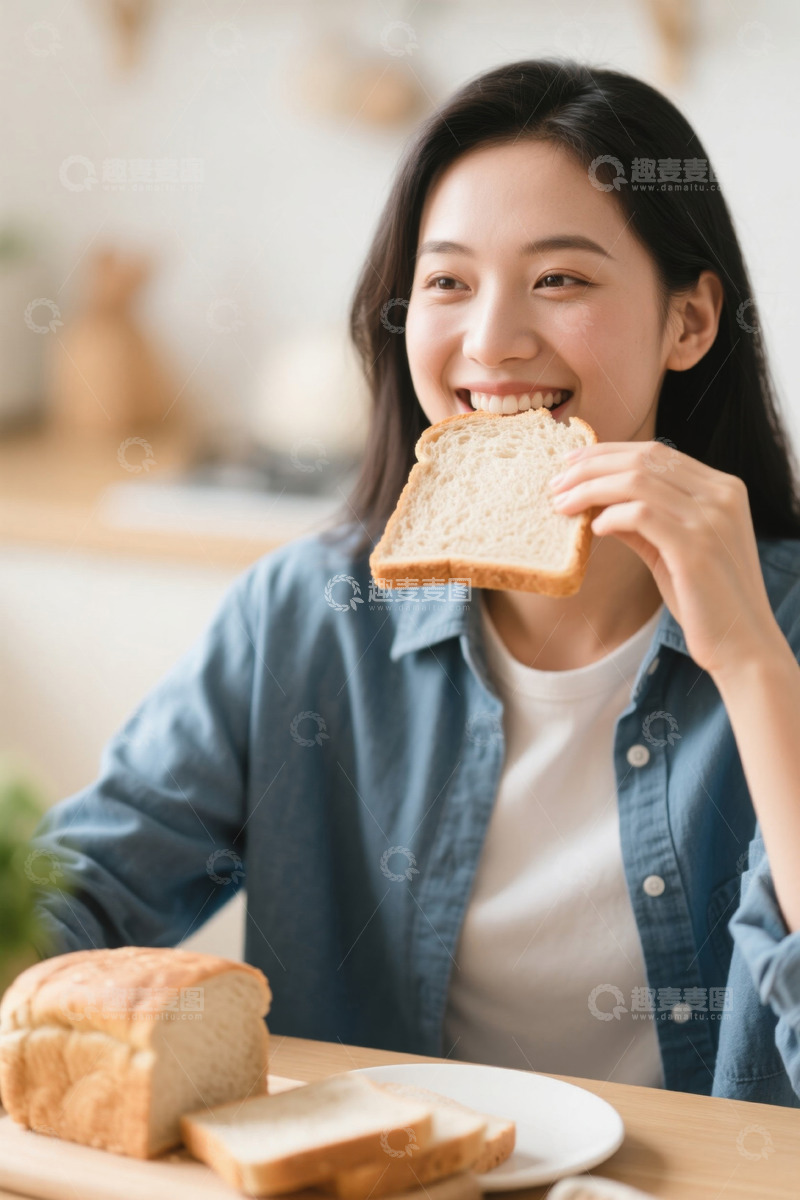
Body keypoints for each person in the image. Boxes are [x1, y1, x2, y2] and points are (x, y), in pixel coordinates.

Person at [26, 59, 800, 1106]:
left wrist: (754, 667)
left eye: (559, 278)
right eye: (446, 282)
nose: (490, 341)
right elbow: (81, 897)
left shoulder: (781, 628)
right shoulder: (305, 615)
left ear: (688, 323)